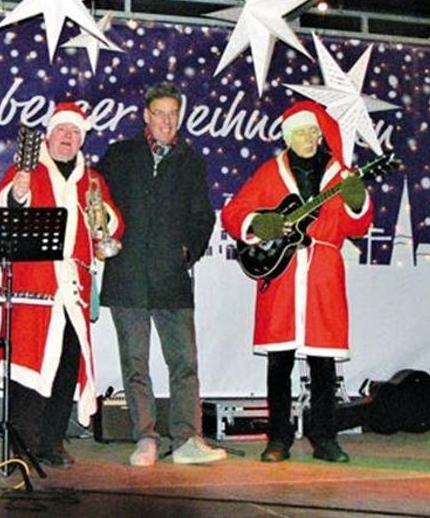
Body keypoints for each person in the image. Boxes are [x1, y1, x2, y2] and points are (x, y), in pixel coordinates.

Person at [221, 100, 371, 464]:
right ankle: (278, 438)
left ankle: (325, 438)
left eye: (314, 132)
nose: (309, 138)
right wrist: (263, 224)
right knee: (280, 363)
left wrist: (355, 197)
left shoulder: (340, 173)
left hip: (323, 273)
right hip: (282, 275)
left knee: (323, 366)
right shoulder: (270, 172)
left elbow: (359, 225)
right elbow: (233, 214)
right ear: (288, 137)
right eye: (301, 132)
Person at [0, 102, 123, 468]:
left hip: (73, 288)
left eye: (76, 133)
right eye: (63, 130)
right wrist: (17, 194)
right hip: (35, 282)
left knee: (66, 366)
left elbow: (113, 226)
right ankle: (23, 443)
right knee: (29, 366)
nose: (68, 137)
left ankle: (52, 442)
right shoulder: (26, 169)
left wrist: (103, 218)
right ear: (48, 135)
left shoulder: (92, 180)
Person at [98, 83, 226, 467]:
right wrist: (102, 235)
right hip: (127, 276)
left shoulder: (192, 161)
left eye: (173, 113)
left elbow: (204, 217)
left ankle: (187, 438)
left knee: (184, 362)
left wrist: (187, 252)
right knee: (135, 365)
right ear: (146, 116)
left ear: (180, 117)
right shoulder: (119, 155)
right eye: (160, 113)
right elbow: (95, 200)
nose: (167, 121)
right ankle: (146, 439)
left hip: (172, 278)